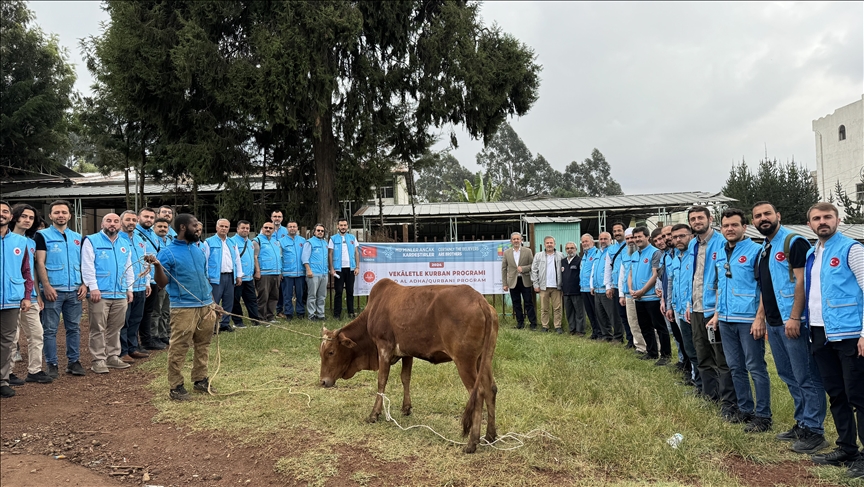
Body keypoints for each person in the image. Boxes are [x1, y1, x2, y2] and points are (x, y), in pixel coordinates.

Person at [752, 201, 828, 454]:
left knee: (806, 376)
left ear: (778, 215)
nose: (763, 218)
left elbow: (801, 282)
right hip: (774, 323)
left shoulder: (793, 242)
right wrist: (760, 316)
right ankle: (802, 422)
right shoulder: (765, 248)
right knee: (788, 375)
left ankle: (815, 431)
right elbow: (766, 286)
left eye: (767, 214)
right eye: (758, 216)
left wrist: (795, 317)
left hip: (792, 322)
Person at [804, 202, 864, 475]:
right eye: (817, 218)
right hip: (820, 332)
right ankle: (846, 448)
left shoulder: (852, 250)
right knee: (837, 394)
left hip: (850, 334)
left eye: (827, 217)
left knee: (859, 396)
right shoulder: (811, 253)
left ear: (838, 220)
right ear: (810, 225)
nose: (822, 222)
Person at [708, 208, 772, 432]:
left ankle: (763, 416)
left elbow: (765, 287)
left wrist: (759, 318)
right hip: (725, 319)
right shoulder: (720, 251)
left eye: (734, 225)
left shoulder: (756, 251)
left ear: (745, 227)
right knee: (735, 367)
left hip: (748, 320)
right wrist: (717, 314)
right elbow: (720, 285)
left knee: (755, 367)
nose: (730, 229)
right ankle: (745, 409)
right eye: (726, 226)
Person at [148, 214, 220, 401]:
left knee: (203, 344)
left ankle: (200, 380)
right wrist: (157, 266)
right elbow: (162, 283)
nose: (198, 228)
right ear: (182, 228)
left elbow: (204, 278)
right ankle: (176, 386)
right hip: (183, 308)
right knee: (179, 347)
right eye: (194, 225)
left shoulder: (198, 249)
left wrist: (212, 303)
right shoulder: (167, 253)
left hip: (206, 306)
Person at [686, 206, 737, 415]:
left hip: (714, 310)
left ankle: (729, 403)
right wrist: (688, 304)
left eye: (700, 217)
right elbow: (691, 277)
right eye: (693, 219)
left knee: (722, 358)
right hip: (697, 308)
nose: (697, 221)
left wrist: (718, 310)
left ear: (710, 219)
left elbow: (724, 281)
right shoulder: (692, 244)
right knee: (702, 355)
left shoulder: (721, 243)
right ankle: (710, 396)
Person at [35, 200, 87, 378]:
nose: (60, 215)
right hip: (53, 291)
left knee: (74, 327)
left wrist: (84, 284)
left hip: (74, 290)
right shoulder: (42, 236)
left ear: (70, 215)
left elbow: (84, 263)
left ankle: (74, 361)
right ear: (50, 216)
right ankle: (52, 363)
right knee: (50, 329)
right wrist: (47, 286)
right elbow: (39, 262)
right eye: (56, 212)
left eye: (64, 212)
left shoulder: (78, 237)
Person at [82, 213, 134, 374]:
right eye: (109, 221)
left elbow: (128, 268)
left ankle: (113, 356)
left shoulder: (124, 243)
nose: (112, 224)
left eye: (116, 221)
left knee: (116, 327)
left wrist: (129, 289)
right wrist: (93, 287)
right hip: (100, 292)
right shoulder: (91, 241)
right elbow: (87, 265)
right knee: (98, 327)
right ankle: (98, 359)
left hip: (120, 292)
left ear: (120, 225)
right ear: (102, 224)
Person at [7, 204, 52, 385]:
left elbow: (31, 270)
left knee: (36, 333)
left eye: (31, 218)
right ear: (15, 217)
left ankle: (35, 370)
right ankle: (7, 372)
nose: (27, 220)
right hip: (10, 297)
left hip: (30, 296)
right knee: (11, 337)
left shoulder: (31, 242)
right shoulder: (4, 240)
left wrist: (38, 293)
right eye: (24, 216)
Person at [1, 201, 34, 398]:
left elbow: (26, 271)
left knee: (7, 343)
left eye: (5, 211)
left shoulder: (20, 242)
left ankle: (3, 380)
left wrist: (27, 296)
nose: (2, 214)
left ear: (11, 217)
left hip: (11, 299)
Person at [629, 226, 671, 364]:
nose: (637, 239)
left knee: (659, 327)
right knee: (644, 326)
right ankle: (651, 352)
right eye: (635, 237)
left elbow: (655, 275)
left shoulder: (655, 253)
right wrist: (631, 289)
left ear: (647, 237)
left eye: (640, 236)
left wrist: (642, 291)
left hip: (651, 297)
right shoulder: (634, 254)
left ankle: (665, 355)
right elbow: (630, 273)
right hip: (638, 297)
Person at [666, 224, 701, 391]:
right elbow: (672, 283)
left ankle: (704, 385)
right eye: (675, 237)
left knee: (699, 348)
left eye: (682, 236)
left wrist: (689, 305)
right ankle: (695, 379)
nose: (678, 240)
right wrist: (670, 305)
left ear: (691, 235)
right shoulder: (675, 258)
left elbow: (694, 284)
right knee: (688, 347)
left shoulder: (696, 255)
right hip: (678, 309)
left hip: (693, 310)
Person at [119, 210, 151, 363]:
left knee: (136, 319)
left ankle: (133, 348)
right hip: (125, 287)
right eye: (128, 219)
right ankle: (122, 350)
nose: (131, 222)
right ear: (121, 221)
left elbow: (145, 262)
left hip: (140, 286)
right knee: (123, 321)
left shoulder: (140, 240)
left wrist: (147, 282)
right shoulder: (117, 239)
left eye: (133, 220)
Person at [202, 219, 243, 333]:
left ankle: (225, 324)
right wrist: (206, 277)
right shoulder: (209, 242)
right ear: (216, 227)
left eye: (226, 226)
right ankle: (213, 325)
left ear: (229, 229)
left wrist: (239, 275)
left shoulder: (232, 243)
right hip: (215, 277)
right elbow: (205, 260)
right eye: (221, 226)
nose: (223, 228)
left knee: (228, 301)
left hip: (230, 276)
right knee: (214, 301)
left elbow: (237, 260)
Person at [136, 207, 165, 351]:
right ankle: (134, 343)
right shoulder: (134, 234)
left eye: (151, 217)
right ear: (138, 217)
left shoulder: (153, 235)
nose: (148, 220)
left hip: (153, 279)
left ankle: (147, 340)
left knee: (148, 311)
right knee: (137, 313)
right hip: (140, 279)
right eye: (145, 217)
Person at [619, 228, 648, 354]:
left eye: (633, 238)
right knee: (633, 322)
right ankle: (640, 347)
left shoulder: (649, 253)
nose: (631, 241)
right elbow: (623, 276)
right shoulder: (627, 255)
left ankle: (653, 347)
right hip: (629, 294)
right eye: (628, 238)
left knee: (647, 323)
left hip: (646, 294)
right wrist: (622, 294)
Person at [606, 222, 633, 347]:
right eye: (614, 231)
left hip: (632, 288)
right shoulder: (611, 249)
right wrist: (609, 286)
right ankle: (628, 339)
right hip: (618, 287)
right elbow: (608, 269)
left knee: (632, 316)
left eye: (619, 230)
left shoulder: (631, 246)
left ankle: (636, 341)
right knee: (621, 315)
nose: (617, 233)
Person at [502, 232, 536, 330]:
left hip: (525, 280)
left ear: (521, 240)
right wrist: (505, 284)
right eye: (514, 239)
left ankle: (533, 323)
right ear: (511, 241)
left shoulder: (528, 251)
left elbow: (532, 265)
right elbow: (504, 268)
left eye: (518, 239)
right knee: (516, 303)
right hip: (513, 281)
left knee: (528, 302)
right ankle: (520, 323)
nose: (516, 241)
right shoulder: (507, 253)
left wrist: (524, 268)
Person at [230, 220, 261, 327]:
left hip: (249, 278)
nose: (245, 230)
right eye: (243, 228)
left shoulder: (250, 243)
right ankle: (238, 322)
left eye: (247, 228)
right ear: (237, 229)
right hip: (238, 278)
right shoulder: (232, 242)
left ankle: (255, 320)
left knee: (252, 300)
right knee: (236, 301)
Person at [531, 236, 564, 333]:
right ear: (544, 244)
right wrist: (536, 284)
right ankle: (545, 326)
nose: (549, 244)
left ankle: (558, 326)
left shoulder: (560, 255)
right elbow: (534, 270)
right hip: (543, 286)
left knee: (557, 308)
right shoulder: (538, 256)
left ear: (555, 244)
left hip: (556, 286)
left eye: (551, 242)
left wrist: (562, 285)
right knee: (544, 308)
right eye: (547, 243)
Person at [328, 218, 360, 320]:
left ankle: (351, 312)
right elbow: (330, 254)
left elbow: (356, 253)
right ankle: (337, 314)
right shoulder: (333, 238)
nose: (343, 227)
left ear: (347, 226)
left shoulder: (352, 238)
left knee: (350, 291)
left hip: (350, 269)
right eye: (341, 225)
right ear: (337, 226)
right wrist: (331, 268)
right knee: (338, 292)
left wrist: (357, 267)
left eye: (345, 225)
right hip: (338, 269)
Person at [150, 218, 172, 345]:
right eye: (160, 226)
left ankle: (164, 333)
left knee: (166, 310)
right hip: (157, 280)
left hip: (169, 280)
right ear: (154, 228)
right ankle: (154, 335)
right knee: (156, 310)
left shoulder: (169, 241)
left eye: (165, 226)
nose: (162, 229)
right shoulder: (152, 241)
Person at [254, 222, 282, 322]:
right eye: (266, 227)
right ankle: (261, 317)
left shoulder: (275, 242)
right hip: (264, 273)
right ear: (262, 228)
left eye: (270, 228)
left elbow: (279, 257)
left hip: (276, 273)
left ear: (274, 230)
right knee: (263, 297)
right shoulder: (257, 241)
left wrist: (280, 271)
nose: (268, 229)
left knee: (274, 296)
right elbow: (255, 257)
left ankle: (270, 316)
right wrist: (257, 271)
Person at [591, 232, 617, 341]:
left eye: (605, 239)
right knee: (601, 315)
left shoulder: (611, 252)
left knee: (612, 315)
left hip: (607, 289)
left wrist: (609, 286)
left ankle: (618, 336)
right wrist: (592, 285)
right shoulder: (598, 253)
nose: (602, 241)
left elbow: (611, 270)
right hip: (597, 290)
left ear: (610, 240)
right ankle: (606, 335)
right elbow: (594, 270)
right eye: (601, 239)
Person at [279, 221, 306, 320]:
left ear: (297, 228)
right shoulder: (281, 241)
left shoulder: (303, 241)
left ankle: (300, 312)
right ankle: (288, 313)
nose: (292, 228)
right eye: (290, 227)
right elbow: (280, 257)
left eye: (294, 226)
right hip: (287, 272)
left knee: (300, 293)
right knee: (287, 294)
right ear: (287, 229)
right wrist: (281, 272)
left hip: (301, 272)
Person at [302, 224, 329, 321]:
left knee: (322, 295)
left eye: (322, 231)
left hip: (324, 273)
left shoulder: (326, 243)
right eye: (318, 230)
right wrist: (308, 270)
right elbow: (305, 258)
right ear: (314, 232)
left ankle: (321, 314)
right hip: (313, 273)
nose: (320, 232)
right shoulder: (309, 243)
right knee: (312, 295)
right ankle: (311, 315)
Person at [561, 241, 585, 335]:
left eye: (572, 248)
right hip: (566, 291)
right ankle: (572, 329)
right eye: (567, 248)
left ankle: (580, 330)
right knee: (569, 312)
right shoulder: (563, 261)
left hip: (576, 291)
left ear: (576, 249)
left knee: (579, 312)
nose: (569, 250)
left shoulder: (580, 260)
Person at [579, 234, 600, 339]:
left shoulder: (597, 253)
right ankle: (594, 331)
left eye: (586, 241)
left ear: (592, 242)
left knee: (597, 312)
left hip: (592, 288)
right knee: (589, 312)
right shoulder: (584, 255)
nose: (584, 244)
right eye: (583, 242)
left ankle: (601, 332)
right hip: (583, 288)